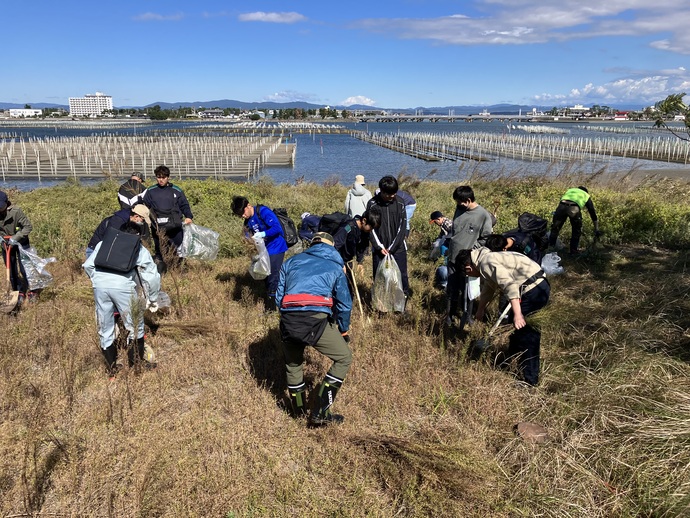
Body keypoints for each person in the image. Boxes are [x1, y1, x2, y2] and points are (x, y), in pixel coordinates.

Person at [275, 231, 353, 426]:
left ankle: (298, 410)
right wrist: (343, 330)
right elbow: (345, 305)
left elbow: (278, 298)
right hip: (316, 322)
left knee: (293, 365)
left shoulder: (290, 262)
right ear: (331, 247)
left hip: (288, 320)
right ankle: (321, 410)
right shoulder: (335, 267)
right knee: (343, 358)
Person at [457, 245, 550, 386]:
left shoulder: (486, 262)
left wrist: (518, 314)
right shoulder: (484, 259)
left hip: (533, 289)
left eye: (468, 275)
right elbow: (489, 288)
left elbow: (509, 285)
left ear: (468, 268)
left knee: (528, 335)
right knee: (516, 330)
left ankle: (530, 380)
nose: (471, 277)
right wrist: (480, 310)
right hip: (537, 285)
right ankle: (509, 361)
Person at [83, 227, 161, 377]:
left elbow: (88, 265)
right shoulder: (137, 247)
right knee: (135, 325)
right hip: (123, 285)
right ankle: (136, 366)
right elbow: (151, 276)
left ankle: (111, 370)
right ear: (137, 235)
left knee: (105, 327)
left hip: (99, 285)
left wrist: (98, 279)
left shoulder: (105, 243)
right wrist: (152, 298)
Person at [446, 186, 494, 328]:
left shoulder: (483, 215)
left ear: (468, 200)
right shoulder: (459, 209)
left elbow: (486, 238)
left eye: (460, 202)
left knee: (468, 290)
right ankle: (450, 315)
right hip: (453, 257)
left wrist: (472, 251)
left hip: (469, 260)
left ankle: (467, 316)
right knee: (452, 288)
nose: (457, 205)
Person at [231, 196, 288, 309]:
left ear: (248, 206)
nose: (243, 216)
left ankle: (271, 307)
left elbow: (277, 228)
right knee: (265, 275)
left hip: (276, 247)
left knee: (272, 276)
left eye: (243, 213)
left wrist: (263, 234)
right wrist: (248, 240)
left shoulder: (263, 211)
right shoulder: (248, 221)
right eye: (240, 215)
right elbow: (247, 234)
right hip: (263, 250)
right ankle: (271, 296)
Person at [142, 165, 193, 271]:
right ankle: (161, 272)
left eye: (163, 177)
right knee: (160, 250)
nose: (161, 180)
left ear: (168, 177)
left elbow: (184, 205)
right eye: (158, 177)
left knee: (179, 249)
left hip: (175, 226)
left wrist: (188, 216)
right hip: (158, 227)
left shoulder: (176, 190)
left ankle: (179, 270)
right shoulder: (151, 191)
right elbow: (144, 206)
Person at [366, 176, 410, 297]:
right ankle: (381, 303)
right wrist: (379, 247)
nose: (392, 196)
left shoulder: (400, 203)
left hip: (398, 248)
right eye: (389, 194)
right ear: (381, 191)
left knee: (401, 275)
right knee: (380, 276)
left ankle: (402, 300)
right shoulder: (372, 204)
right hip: (380, 249)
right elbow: (370, 228)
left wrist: (393, 247)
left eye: (394, 193)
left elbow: (402, 227)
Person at [0, 190, 33, 303]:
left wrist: (15, 238)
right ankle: (18, 291)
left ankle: (32, 289)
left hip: (21, 242)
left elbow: (28, 227)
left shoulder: (16, 211)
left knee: (25, 268)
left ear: (6, 203)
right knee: (11, 269)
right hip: (5, 243)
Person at [548, 186, 600, 255]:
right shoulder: (585, 194)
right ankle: (573, 251)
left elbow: (562, 201)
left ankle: (550, 248)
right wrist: (596, 228)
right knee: (576, 230)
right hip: (574, 208)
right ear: (585, 191)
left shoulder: (570, 190)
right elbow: (592, 211)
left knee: (555, 227)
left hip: (561, 206)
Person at [85, 204, 151, 259]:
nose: (143, 223)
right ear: (136, 216)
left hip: (106, 252)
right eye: (143, 220)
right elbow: (112, 242)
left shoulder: (131, 223)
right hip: (95, 251)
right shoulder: (117, 222)